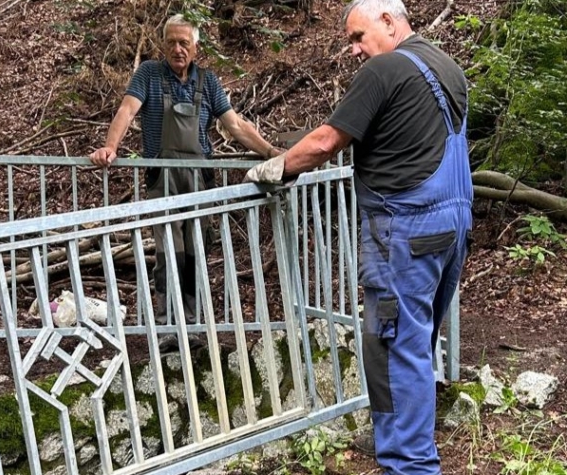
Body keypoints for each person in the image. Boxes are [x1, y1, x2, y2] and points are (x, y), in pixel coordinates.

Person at [245, 0, 471, 473]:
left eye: (357, 36)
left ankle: (409, 465)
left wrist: (277, 166)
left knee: (394, 351)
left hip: (404, 231)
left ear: (389, 22)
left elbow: (327, 141)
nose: (353, 49)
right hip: (451, 226)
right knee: (416, 346)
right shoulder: (447, 65)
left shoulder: (385, 69)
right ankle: (410, 447)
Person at [90, 14, 281, 336]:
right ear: (163, 45)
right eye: (171, 43)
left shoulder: (208, 82)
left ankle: (192, 327)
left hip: (199, 181)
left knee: (195, 253)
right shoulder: (149, 74)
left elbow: (235, 125)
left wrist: (272, 154)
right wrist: (110, 147)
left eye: (184, 43)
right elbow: (127, 109)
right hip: (162, 179)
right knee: (168, 254)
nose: (178, 49)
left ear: (196, 47)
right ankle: (167, 328)